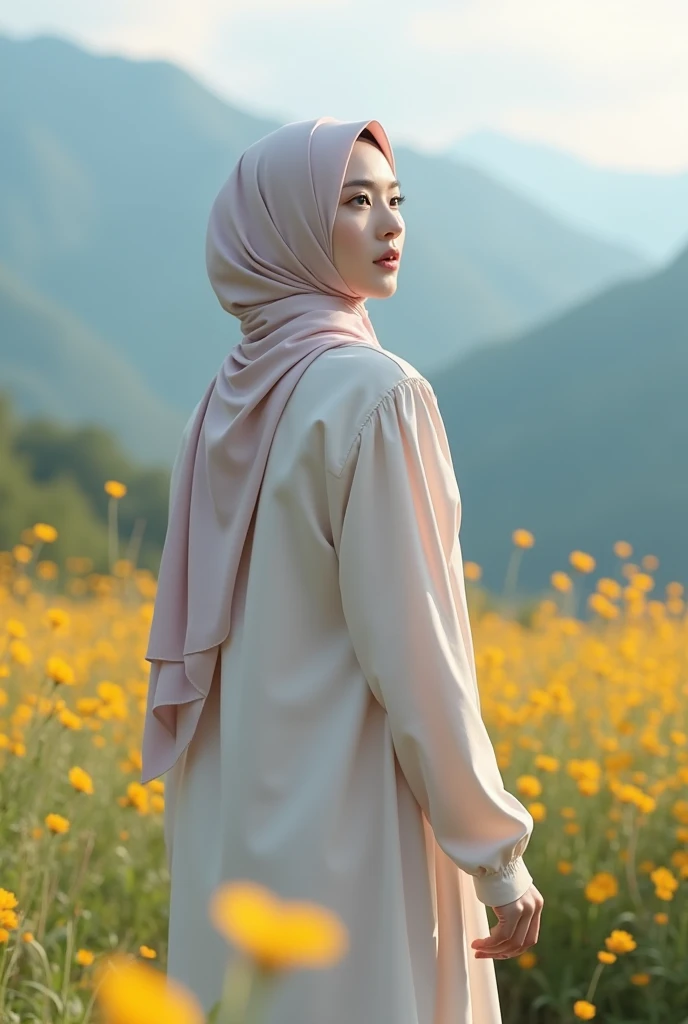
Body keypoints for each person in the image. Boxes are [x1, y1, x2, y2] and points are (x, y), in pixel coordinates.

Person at [140, 116, 543, 1024]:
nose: (390, 225)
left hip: (232, 837)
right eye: (355, 202)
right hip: (352, 830)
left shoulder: (222, 406)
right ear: (281, 227)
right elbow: (418, 651)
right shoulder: (379, 396)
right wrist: (495, 851)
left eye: (395, 201)